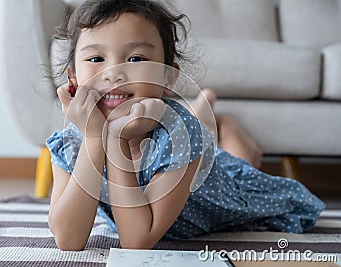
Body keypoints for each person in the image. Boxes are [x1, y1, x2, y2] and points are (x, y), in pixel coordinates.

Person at [46, 0, 325, 251]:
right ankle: (207, 112)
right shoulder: (72, 139)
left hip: (220, 193)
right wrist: (95, 139)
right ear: (73, 78)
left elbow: (137, 240)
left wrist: (115, 140)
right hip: (188, 152)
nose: (114, 74)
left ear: (167, 77)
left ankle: (224, 127)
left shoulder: (180, 132)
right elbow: (69, 240)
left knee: (240, 167)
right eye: (96, 59)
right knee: (213, 146)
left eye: (136, 59)